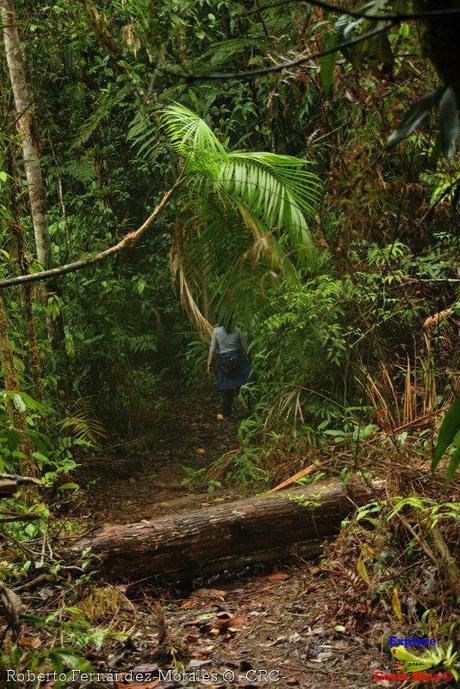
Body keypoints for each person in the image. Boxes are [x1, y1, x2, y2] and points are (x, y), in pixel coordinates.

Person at [207, 317, 251, 418]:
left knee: (227, 388)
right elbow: (245, 347)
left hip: (224, 363)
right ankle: (249, 411)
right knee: (242, 386)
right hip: (238, 361)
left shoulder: (216, 331)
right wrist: (249, 360)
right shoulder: (237, 331)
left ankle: (226, 413)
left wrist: (209, 364)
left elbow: (212, 348)